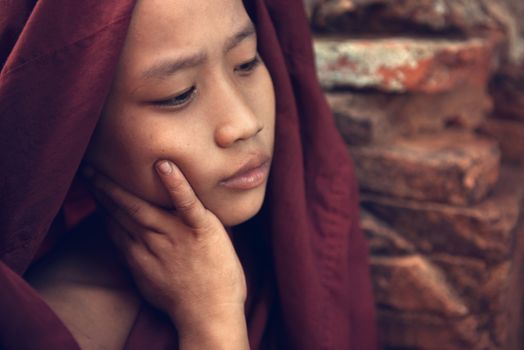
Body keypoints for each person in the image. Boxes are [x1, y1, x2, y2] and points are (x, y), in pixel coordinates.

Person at [0, 0, 377, 349]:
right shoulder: (62, 322)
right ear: (74, 132)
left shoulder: (280, 249)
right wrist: (213, 323)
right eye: (178, 94)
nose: (244, 123)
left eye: (246, 63)